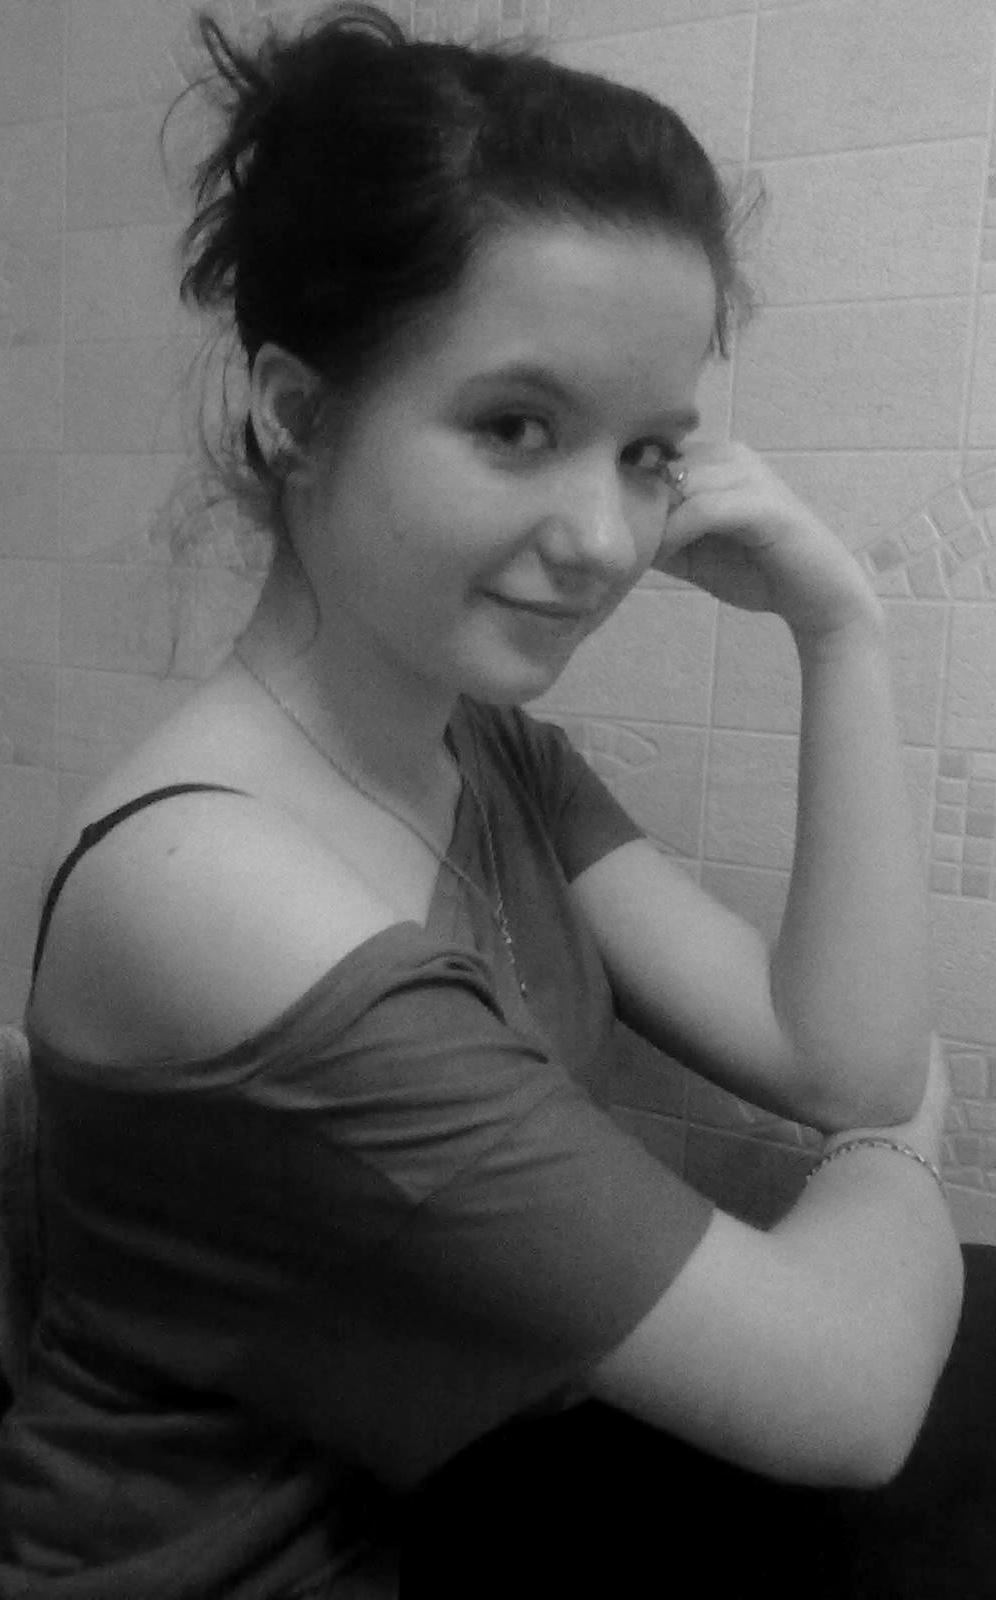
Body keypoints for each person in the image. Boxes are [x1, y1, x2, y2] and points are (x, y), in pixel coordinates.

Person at [0, 5, 987, 1595]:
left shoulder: (488, 751)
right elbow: (847, 1395)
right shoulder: (205, 891)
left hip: (456, 1502)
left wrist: (839, 629)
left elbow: (837, 1057)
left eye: (648, 453)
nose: (603, 539)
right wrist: (903, 1155)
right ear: (296, 412)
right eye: (517, 427)